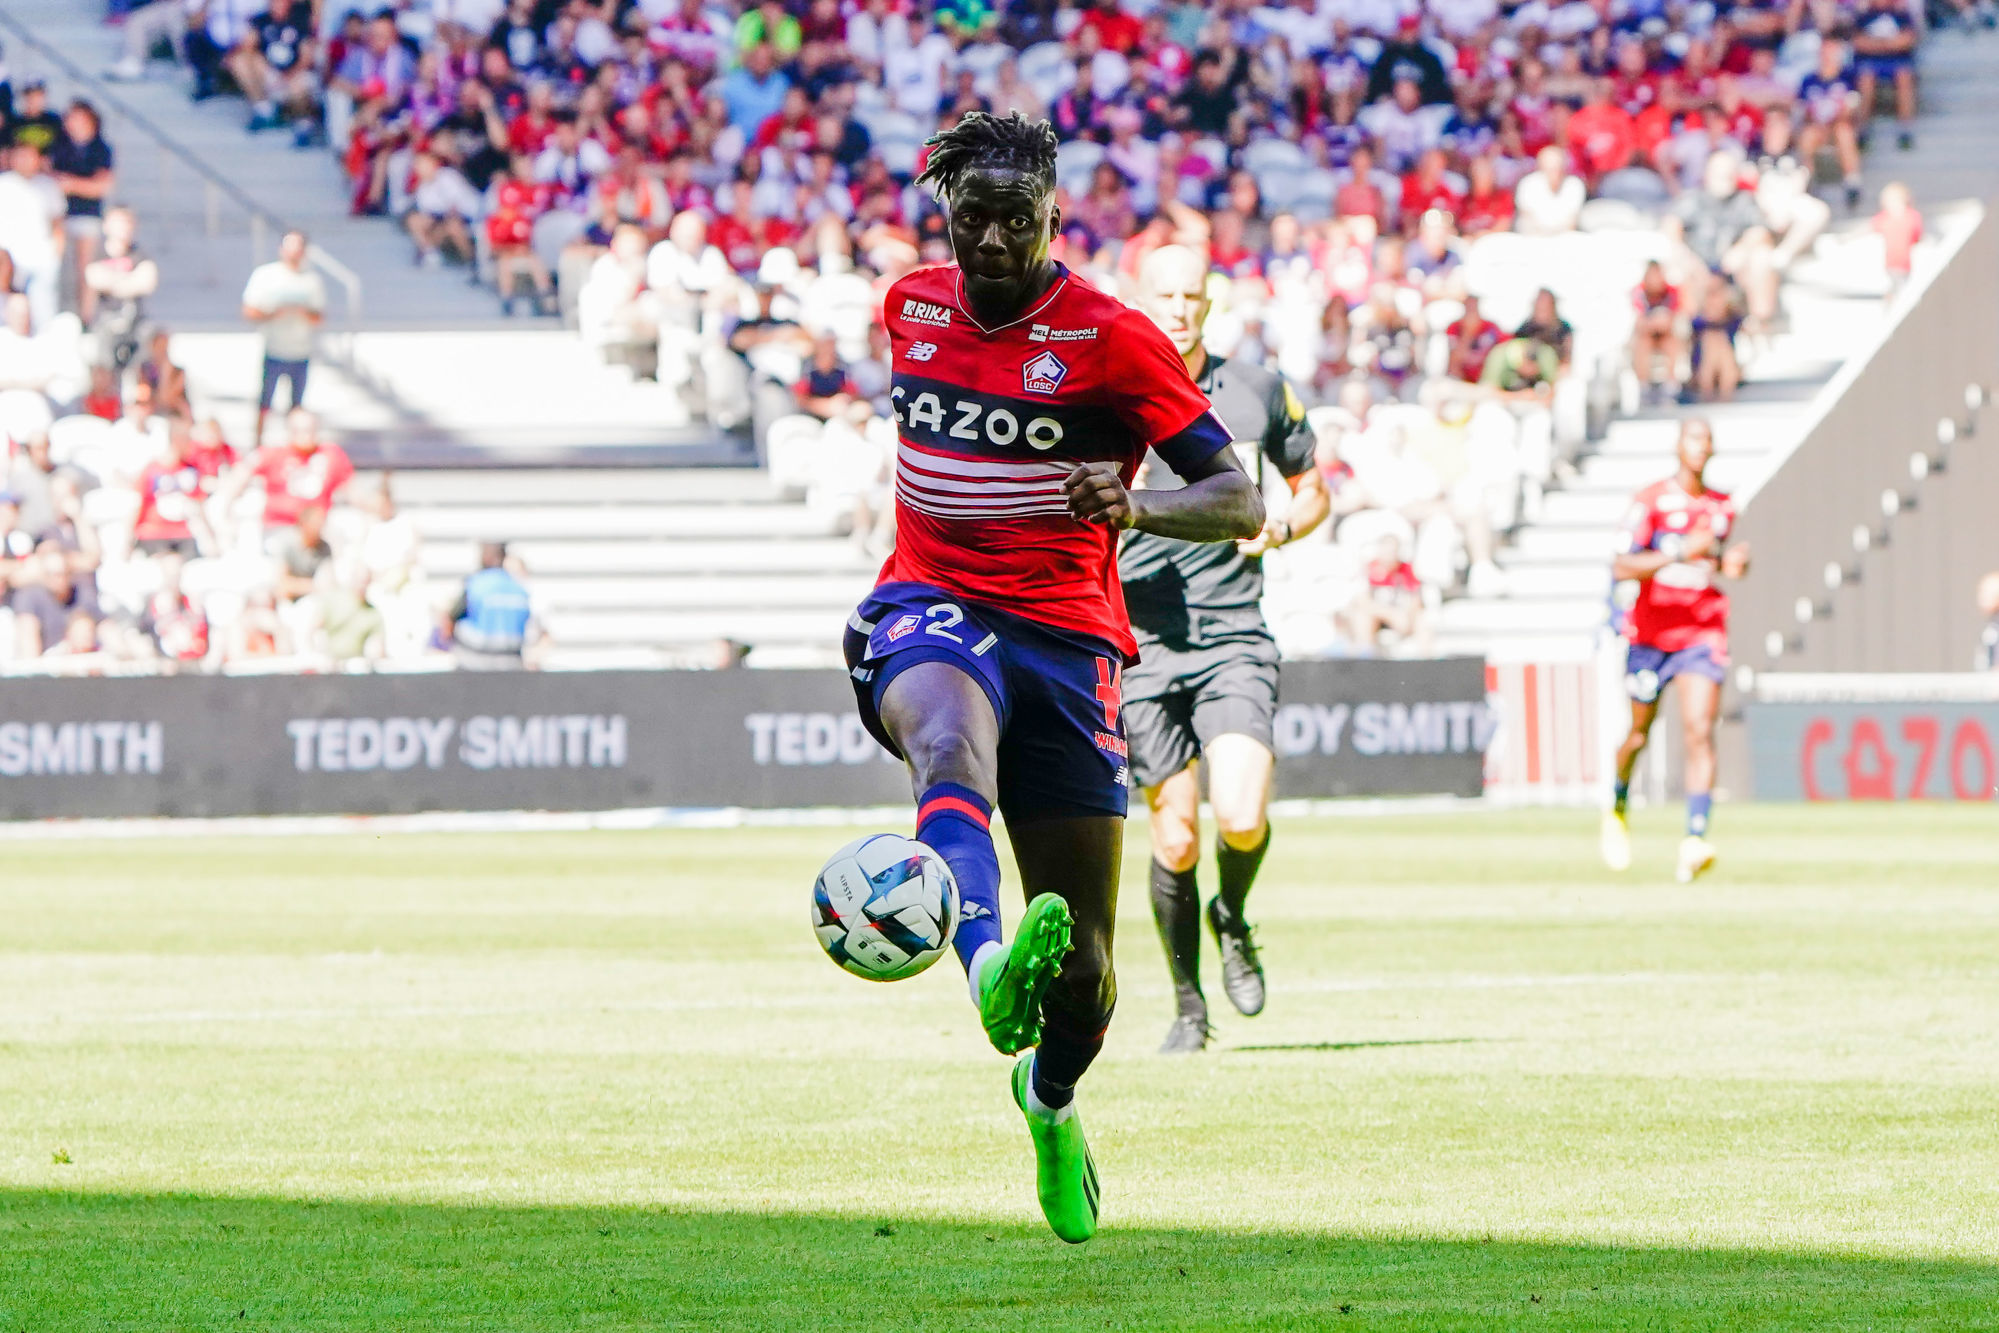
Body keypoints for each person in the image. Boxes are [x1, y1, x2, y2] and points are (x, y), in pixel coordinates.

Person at [843, 112, 1260, 1244]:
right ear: (944, 215)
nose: (989, 239)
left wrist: (1138, 503)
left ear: (1054, 218)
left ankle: (1050, 1096)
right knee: (946, 742)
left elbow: (1237, 500)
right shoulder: (909, 305)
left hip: (1068, 642)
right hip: (928, 605)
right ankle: (983, 961)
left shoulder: (1114, 339)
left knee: (1085, 974)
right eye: (969, 216)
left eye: (1013, 220)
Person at [1118, 243, 1328, 1055]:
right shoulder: (1105, 392)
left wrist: (1280, 527)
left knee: (1240, 817)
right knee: (1173, 837)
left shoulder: (1256, 389)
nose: (1179, 310)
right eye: (1165, 296)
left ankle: (1230, 914)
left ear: (1209, 302)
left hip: (1233, 633)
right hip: (1140, 644)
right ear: (1139, 298)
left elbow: (1313, 490)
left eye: (1191, 296)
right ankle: (1187, 1006)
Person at [1603, 419, 1750, 884]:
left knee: (1699, 730)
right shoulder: (1651, 502)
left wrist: (1730, 564)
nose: (1701, 447)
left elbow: (1711, 561)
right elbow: (1623, 565)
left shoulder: (1722, 507)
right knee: (1639, 735)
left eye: (1707, 439)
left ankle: (1694, 839)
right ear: (1678, 446)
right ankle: (1617, 804)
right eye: (1693, 438)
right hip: (1651, 636)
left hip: (1701, 632)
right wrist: (1680, 552)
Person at [241, 229, 326, 446]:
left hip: (301, 350)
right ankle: (258, 444)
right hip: (274, 349)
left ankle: (294, 446)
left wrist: (302, 312)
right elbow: (248, 310)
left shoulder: (311, 280)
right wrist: (273, 314)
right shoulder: (266, 275)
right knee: (265, 402)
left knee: (296, 406)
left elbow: (319, 316)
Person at [444, 541, 537, 669]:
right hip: (512, 660)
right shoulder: (519, 588)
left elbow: (451, 618)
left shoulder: (474, 584)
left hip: (475, 660)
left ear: (486, 557)